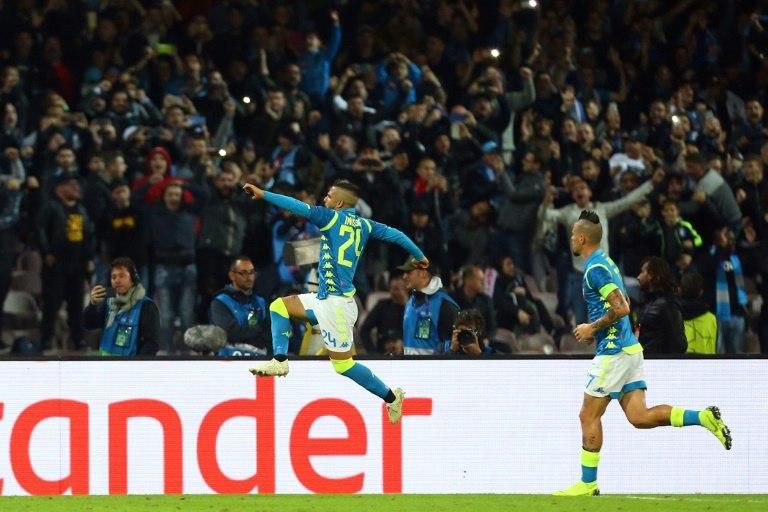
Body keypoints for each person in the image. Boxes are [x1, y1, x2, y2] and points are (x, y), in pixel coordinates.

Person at [554, 210, 731, 497]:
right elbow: (621, 306)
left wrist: (591, 328)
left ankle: (588, 484)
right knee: (639, 417)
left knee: (587, 415)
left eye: (574, 235)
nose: (571, 239)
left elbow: (622, 307)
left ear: (582, 237)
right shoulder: (606, 263)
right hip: (629, 350)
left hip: (614, 352)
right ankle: (703, 417)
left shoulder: (594, 270)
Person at [243, 179, 428, 424]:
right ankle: (279, 360)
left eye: (329, 196)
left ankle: (392, 397)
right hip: (325, 299)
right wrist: (419, 255)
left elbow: (297, 206)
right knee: (279, 306)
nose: (324, 200)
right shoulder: (365, 225)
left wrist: (263, 194)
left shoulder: (328, 218)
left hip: (337, 306)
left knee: (343, 366)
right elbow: (398, 235)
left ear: (339, 203)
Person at [84, 257, 159, 356]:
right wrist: (92, 305)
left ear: (133, 279)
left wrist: (137, 366)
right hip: (105, 367)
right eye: (113, 277)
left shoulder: (146, 306)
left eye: (122, 276)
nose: (117, 280)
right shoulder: (108, 302)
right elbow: (89, 325)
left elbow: (151, 344)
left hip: (130, 369)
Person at [209, 256, 270, 353]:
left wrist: (254, 331)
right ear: (232, 276)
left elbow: (269, 332)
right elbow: (229, 332)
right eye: (243, 273)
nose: (249, 277)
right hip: (229, 360)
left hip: (258, 359)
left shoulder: (260, 302)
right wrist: (258, 330)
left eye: (251, 273)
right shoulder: (220, 302)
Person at [400, 256, 459, 355]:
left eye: (409, 272)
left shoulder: (446, 305)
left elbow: (454, 349)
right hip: (409, 369)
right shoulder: (410, 301)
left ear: (423, 273)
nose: (404, 276)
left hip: (434, 370)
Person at [635, 256, 687, 354]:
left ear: (652, 275)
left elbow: (679, 344)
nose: (638, 277)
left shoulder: (667, 305)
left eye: (642, 272)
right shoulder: (647, 304)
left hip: (657, 365)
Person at [679, 272, 717, 354]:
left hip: (680, 365)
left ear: (680, 290)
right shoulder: (712, 319)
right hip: (707, 365)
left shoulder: (673, 317)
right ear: (701, 292)